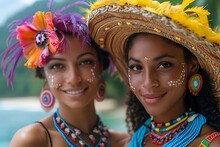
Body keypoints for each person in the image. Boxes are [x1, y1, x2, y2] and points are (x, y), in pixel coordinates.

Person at [86, 0, 220, 146]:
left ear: (191, 67)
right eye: (137, 67)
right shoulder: (139, 138)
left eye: (164, 65)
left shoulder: (210, 143)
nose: (148, 82)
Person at [1, 1, 130, 147]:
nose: (73, 78)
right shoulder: (32, 140)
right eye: (57, 66)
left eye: (85, 62)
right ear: (44, 75)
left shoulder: (124, 142)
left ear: (101, 66)